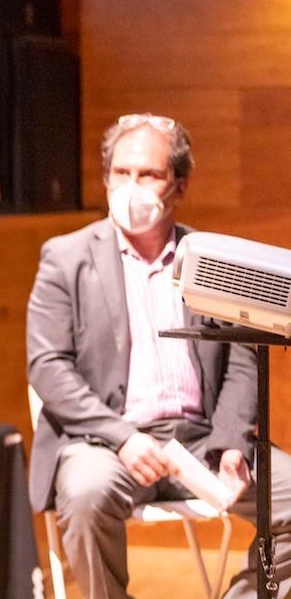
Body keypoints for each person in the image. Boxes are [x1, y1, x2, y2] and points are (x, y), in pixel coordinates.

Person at [26, 112, 291, 598]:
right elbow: (48, 366)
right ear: (106, 178)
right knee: (86, 495)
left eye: (148, 174)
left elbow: (242, 359)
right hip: (105, 444)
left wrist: (231, 441)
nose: (132, 186)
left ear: (180, 185)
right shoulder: (65, 258)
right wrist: (123, 437)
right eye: (121, 173)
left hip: (203, 442)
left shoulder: (211, 259)